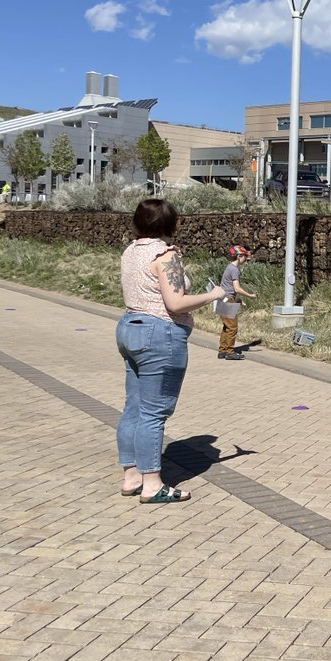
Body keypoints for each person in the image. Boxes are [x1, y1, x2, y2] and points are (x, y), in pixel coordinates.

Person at [116, 198, 224, 504]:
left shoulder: (131, 251)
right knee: (154, 412)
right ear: (170, 225)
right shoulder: (166, 256)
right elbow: (175, 303)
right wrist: (212, 294)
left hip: (129, 326)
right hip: (159, 333)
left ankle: (132, 475)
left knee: (134, 407)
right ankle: (153, 484)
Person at [217, 245, 257, 360]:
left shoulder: (229, 267)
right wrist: (250, 296)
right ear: (239, 256)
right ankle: (229, 352)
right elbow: (236, 288)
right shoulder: (234, 270)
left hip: (223, 298)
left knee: (226, 326)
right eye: (245, 256)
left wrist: (239, 299)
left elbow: (227, 286)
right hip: (228, 300)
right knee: (233, 327)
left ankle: (222, 350)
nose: (246, 259)